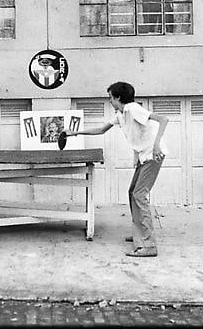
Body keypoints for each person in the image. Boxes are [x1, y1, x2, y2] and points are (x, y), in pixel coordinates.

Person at [65, 81, 168, 257]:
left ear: (118, 97)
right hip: (144, 155)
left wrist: (157, 145)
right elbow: (101, 129)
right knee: (132, 192)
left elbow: (163, 119)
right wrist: (75, 133)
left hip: (153, 155)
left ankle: (149, 245)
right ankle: (140, 234)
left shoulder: (132, 108)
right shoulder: (121, 114)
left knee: (139, 195)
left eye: (110, 98)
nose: (110, 101)